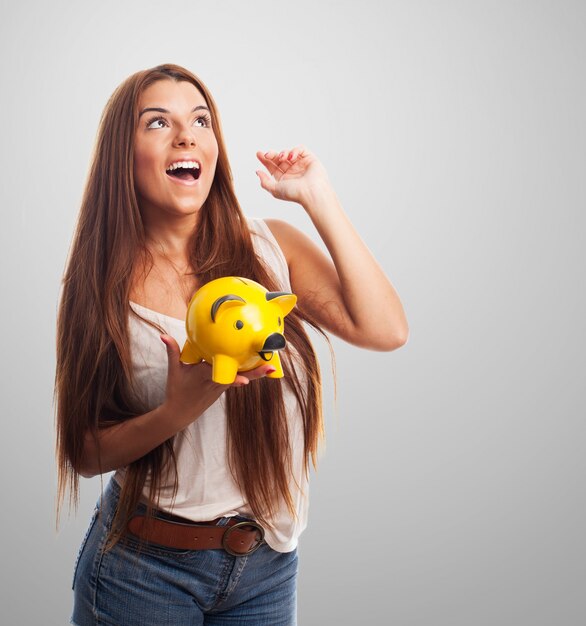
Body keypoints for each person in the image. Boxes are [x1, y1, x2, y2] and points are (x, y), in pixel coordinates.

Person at [55, 63, 409, 626]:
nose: (186, 135)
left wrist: (317, 198)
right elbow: (85, 452)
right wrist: (178, 410)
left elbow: (385, 330)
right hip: (145, 573)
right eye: (157, 123)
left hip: (267, 568)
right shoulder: (102, 289)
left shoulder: (270, 248)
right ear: (124, 154)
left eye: (200, 119)